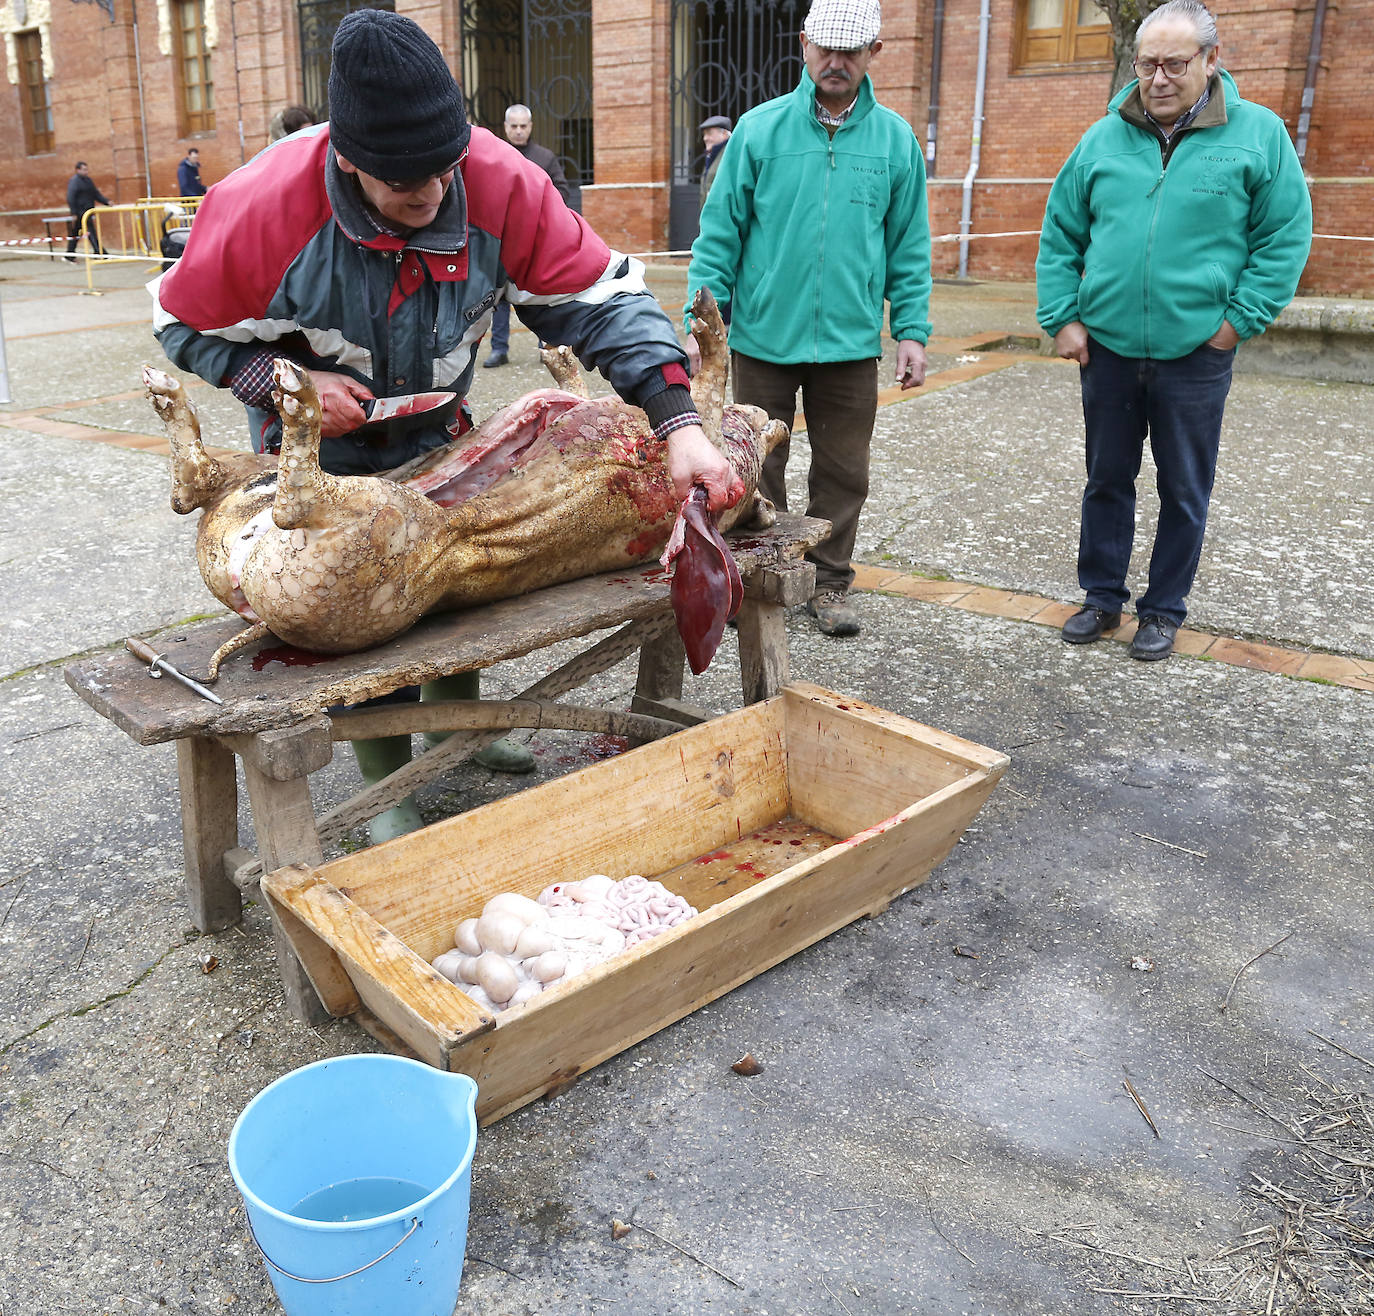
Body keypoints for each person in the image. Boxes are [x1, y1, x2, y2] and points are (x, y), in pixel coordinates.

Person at [152, 10, 737, 842]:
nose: (430, 193)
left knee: (461, 581)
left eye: (443, 170)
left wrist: (680, 423)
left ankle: (458, 734)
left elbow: (604, 303)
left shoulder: (502, 183)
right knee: (354, 603)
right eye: (403, 183)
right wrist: (274, 379)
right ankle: (385, 776)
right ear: (347, 158)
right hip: (321, 447)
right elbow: (176, 323)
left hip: (437, 422)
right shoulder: (260, 210)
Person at [1037, 0, 1312, 662]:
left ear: (1212, 61)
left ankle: (1162, 609)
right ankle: (1102, 598)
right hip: (1106, 347)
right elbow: (1061, 233)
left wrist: (1235, 323)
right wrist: (1062, 318)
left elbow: (1284, 237)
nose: (1158, 78)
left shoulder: (1258, 135)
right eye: (1147, 63)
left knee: (1184, 488)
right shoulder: (1101, 139)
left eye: (1175, 63)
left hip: (1197, 352)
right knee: (1107, 478)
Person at [686, 0, 931, 637]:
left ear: (874, 51)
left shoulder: (895, 141)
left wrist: (910, 330)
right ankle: (767, 574)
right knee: (757, 465)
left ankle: (829, 581)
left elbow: (908, 245)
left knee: (844, 470)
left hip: (851, 343)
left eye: (851, 50)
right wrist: (703, 326)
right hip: (766, 337)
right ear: (803, 44)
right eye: (825, 47)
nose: (836, 61)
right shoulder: (759, 132)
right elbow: (719, 235)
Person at [483, 103, 578, 368]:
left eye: (523, 126)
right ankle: (499, 349)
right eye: (513, 126)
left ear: (531, 127)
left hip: (535, 240)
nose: (518, 131)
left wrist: (536, 208)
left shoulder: (545, 157)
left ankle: (545, 345)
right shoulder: (494, 155)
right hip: (500, 240)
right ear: (505, 127)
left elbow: (562, 191)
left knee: (541, 294)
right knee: (498, 298)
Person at [65, 162, 110, 259]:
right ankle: (100, 252)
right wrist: (73, 212)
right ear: (78, 170)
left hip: (87, 211)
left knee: (76, 233)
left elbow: (96, 194)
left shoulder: (88, 181)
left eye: (87, 169)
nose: (86, 171)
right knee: (90, 232)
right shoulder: (74, 181)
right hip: (80, 212)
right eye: (84, 169)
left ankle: (69, 254)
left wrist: (107, 202)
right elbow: (70, 197)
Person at [697, 115, 731, 210]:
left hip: (722, 219)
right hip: (710, 218)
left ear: (724, 134)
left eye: (709, 133)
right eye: (704, 134)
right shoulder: (712, 155)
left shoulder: (730, 155)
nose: (705, 138)